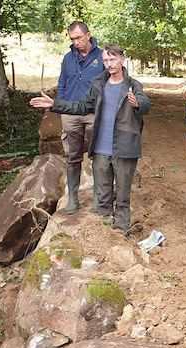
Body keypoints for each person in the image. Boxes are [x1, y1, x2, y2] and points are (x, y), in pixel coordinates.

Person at [30, 44, 151, 234]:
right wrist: (56, 104)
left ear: (122, 60)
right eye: (105, 60)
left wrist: (138, 104)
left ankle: (120, 230)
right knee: (102, 196)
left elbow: (145, 103)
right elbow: (82, 106)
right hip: (101, 148)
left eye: (112, 60)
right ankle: (103, 233)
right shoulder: (98, 84)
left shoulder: (133, 85)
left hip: (125, 147)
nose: (109, 64)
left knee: (122, 195)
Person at [54, 21, 105, 214]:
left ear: (88, 35)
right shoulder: (68, 58)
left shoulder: (102, 57)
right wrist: (60, 107)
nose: (76, 42)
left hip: (93, 113)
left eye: (79, 38)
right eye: (72, 39)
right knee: (72, 157)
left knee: (98, 156)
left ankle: (99, 200)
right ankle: (73, 200)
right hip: (70, 114)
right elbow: (62, 84)